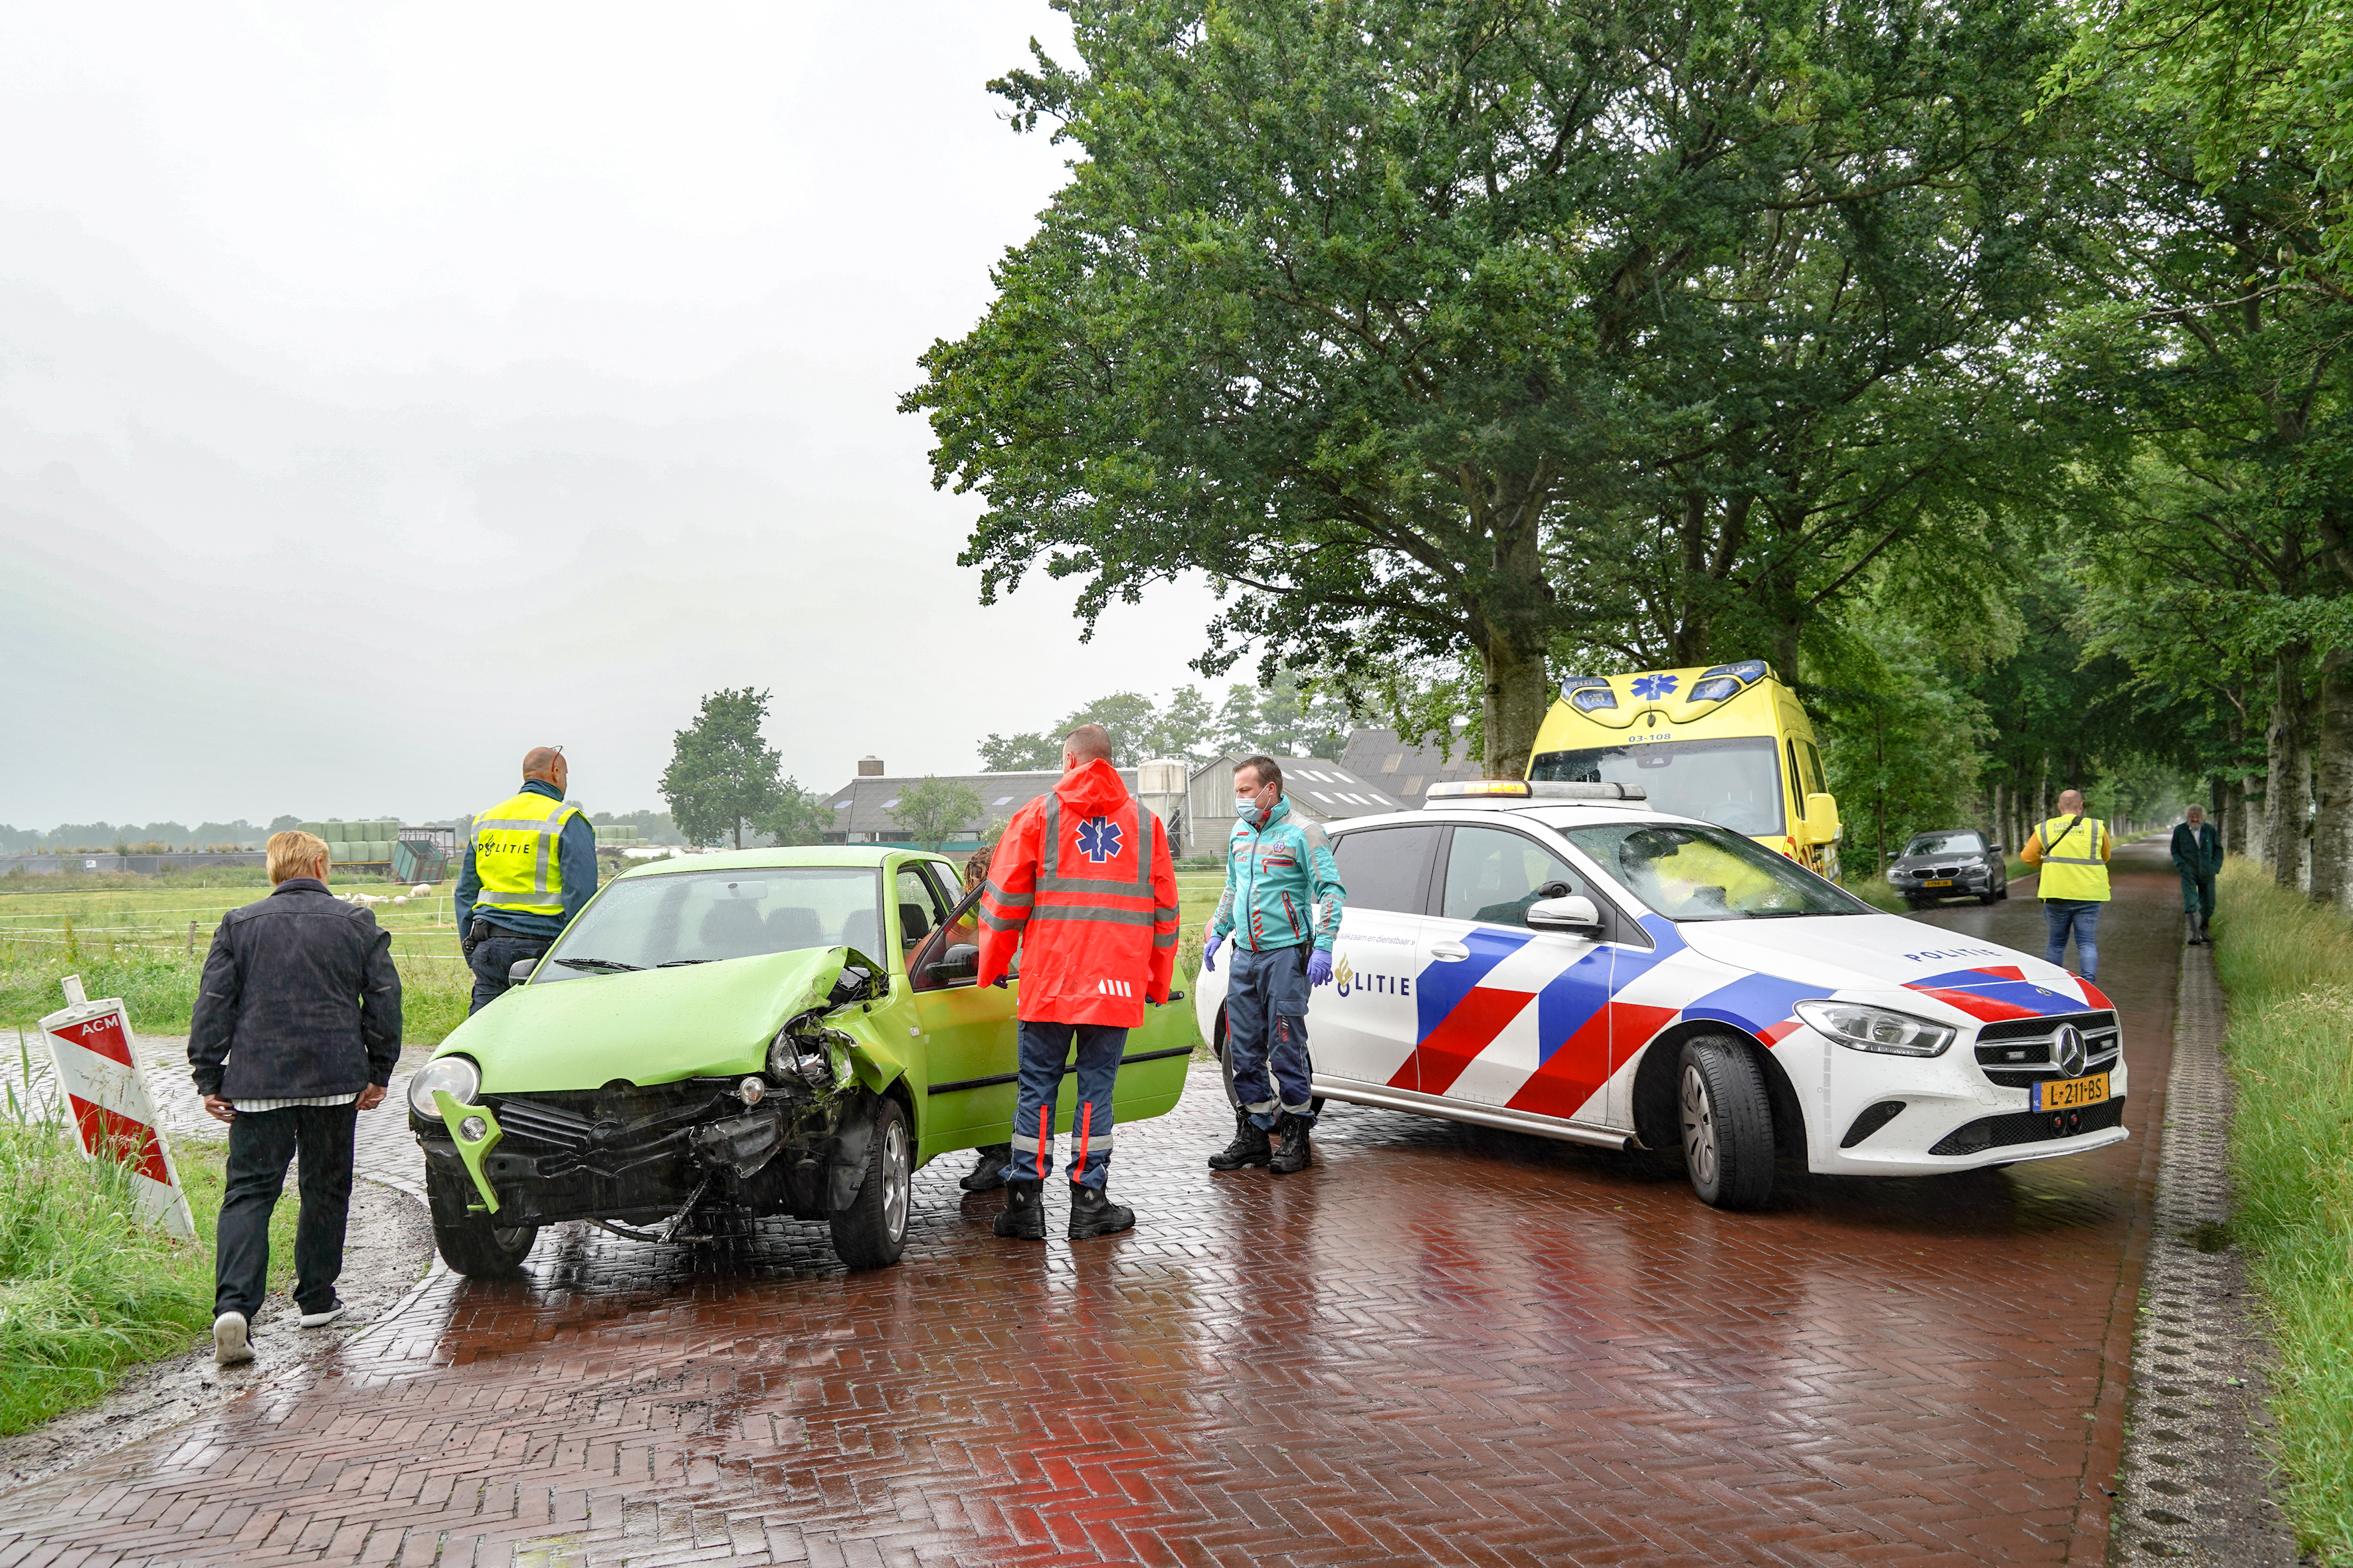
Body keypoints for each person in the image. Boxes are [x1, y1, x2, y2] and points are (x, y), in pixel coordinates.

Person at [188, 831, 401, 1366]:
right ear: (321, 864)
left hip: (258, 1085)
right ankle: (316, 1298)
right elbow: (383, 999)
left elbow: (214, 1004)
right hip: (335, 1083)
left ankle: (234, 1307)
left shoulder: (239, 924)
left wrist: (208, 1076)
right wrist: (380, 1069)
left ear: (274, 870)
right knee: (326, 1187)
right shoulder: (356, 924)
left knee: (250, 1194)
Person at [975, 725, 1181, 1241]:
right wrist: (1154, 984)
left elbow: (1002, 904)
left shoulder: (1037, 816)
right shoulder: (1147, 826)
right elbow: (1167, 916)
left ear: (1070, 760)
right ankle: (1089, 1204)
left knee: (1037, 1089)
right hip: (1114, 988)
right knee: (1096, 1093)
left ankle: (1025, 1205)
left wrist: (992, 964)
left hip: (1049, 982)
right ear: (1110, 762)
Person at [1200, 755, 1346, 1176]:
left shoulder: (1304, 833)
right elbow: (1232, 886)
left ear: (1271, 789)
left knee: (1286, 1049)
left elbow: (1331, 890)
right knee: (1243, 1052)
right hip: (1243, 955)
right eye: (1237, 792)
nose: (1239, 800)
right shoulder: (1239, 832)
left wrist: (1324, 945)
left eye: (1246, 791)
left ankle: (1296, 1137)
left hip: (1285, 955)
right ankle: (1253, 1136)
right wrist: (1218, 930)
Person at [454, 745, 598, 1013]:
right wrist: (573, 957)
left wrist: (471, 950)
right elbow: (581, 895)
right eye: (566, 774)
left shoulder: (486, 820)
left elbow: (465, 892)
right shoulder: (567, 820)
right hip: (543, 947)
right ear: (556, 773)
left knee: (484, 1036)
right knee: (545, 1036)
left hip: (489, 945)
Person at [950, 844, 1014, 1193]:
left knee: (998, 1082)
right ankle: (998, 1153)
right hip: (986, 999)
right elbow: (955, 938)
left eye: (980, 883)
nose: (974, 890)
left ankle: (1000, 1155)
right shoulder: (976, 907)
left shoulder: (1015, 901)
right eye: (972, 884)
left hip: (1007, 998)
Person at [2023, 789, 2112, 980]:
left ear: (2059, 807)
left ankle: (2054, 984)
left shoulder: (2045, 828)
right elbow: (2106, 856)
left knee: (2056, 943)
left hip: (2056, 892)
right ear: (2081, 806)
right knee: (2087, 943)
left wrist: (2044, 862)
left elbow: (2027, 857)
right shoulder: (2096, 827)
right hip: (2089, 894)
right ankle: (2089, 982)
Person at [2171, 803, 2223, 946]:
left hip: (2207, 871)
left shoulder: (2210, 830)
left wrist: (2215, 868)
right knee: (2190, 901)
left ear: (2203, 817)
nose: (2195, 819)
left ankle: (2204, 931)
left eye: (2197, 816)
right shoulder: (2180, 830)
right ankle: (2194, 934)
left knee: (2209, 901)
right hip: (2188, 871)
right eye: (2192, 816)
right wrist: (2182, 866)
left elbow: (2218, 850)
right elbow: (2175, 850)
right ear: (2187, 817)